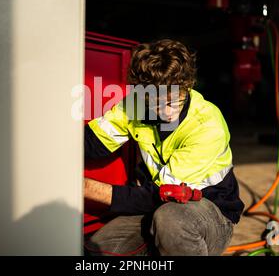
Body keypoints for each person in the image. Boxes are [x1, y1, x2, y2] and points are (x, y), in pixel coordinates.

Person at [84, 39, 244, 256]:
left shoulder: (207, 125)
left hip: (208, 211)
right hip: (157, 207)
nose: (166, 112)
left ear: (187, 86)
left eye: (173, 101)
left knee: (171, 220)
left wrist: (85, 188)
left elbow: (160, 194)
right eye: (156, 103)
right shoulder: (137, 103)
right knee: (99, 247)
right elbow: (93, 142)